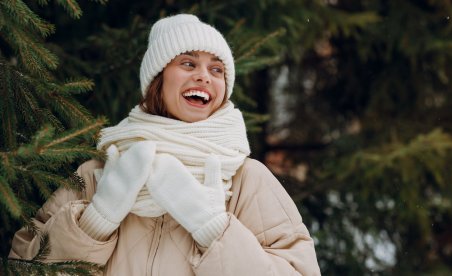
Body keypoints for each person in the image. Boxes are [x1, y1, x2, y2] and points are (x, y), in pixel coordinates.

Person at [9, 14, 321, 275]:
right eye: (188, 63)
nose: (204, 76)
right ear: (157, 79)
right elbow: (23, 268)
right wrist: (94, 222)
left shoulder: (246, 179)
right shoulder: (97, 174)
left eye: (217, 69)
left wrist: (214, 230)